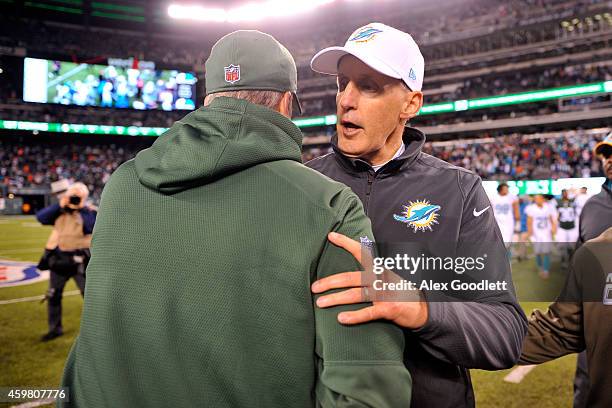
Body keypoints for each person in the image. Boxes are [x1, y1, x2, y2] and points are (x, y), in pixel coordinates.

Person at [59, 30, 412, 408]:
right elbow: (368, 389)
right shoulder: (332, 205)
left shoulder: (122, 185)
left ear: (209, 100)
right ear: (285, 103)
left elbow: (89, 354)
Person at [306, 22, 527, 408]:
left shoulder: (459, 190)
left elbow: (505, 332)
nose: (346, 100)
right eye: (343, 83)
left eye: (369, 86)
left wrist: (422, 309)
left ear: (411, 104)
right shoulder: (304, 185)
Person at [571, 133, 612, 408]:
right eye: (607, 154)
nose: (609, 160)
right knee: (588, 392)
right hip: (599, 321)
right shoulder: (592, 205)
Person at [36, 181, 96, 341]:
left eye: (78, 196)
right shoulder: (60, 210)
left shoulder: (88, 212)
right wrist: (61, 204)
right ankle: (55, 329)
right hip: (59, 260)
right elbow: (41, 217)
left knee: (91, 296)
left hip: (81, 261)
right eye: (73, 195)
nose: (74, 199)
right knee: (54, 295)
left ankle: (97, 329)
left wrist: (81, 208)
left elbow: (90, 226)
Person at [525, 194, 557, 279]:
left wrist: (553, 228)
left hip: (546, 233)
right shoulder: (531, 208)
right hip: (537, 234)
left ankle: (546, 270)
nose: (537, 200)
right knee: (537, 252)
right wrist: (530, 233)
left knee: (547, 252)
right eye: (535, 199)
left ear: (543, 199)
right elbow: (529, 222)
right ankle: (540, 267)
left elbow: (551, 218)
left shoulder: (548, 207)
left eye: (538, 199)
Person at [491, 182, 520, 257]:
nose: (507, 190)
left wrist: (517, 222)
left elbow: (516, 209)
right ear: (500, 190)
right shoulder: (493, 197)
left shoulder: (512, 197)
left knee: (508, 241)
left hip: (508, 222)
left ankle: (507, 258)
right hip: (497, 222)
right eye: (505, 189)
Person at [555, 188, 578, 267]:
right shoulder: (558, 202)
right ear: (562, 194)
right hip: (562, 227)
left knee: (572, 246)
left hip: (572, 226)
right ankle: (563, 261)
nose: (565, 194)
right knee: (562, 246)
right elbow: (557, 215)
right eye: (564, 193)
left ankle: (571, 260)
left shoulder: (572, 201)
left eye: (566, 193)